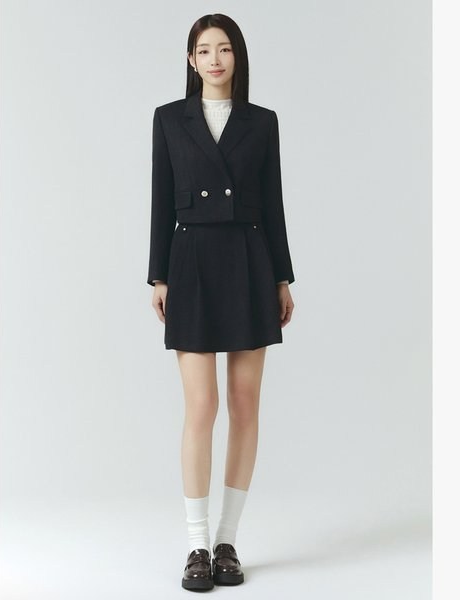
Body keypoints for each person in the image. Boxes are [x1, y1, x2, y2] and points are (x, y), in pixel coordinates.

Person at [147, 13, 296, 591]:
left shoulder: (262, 121)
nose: (215, 59)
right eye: (204, 49)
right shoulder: (169, 119)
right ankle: (196, 544)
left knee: (244, 401)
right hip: (190, 264)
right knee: (201, 406)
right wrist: (159, 276)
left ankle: (227, 541)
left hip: (250, 260)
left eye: (225, 49)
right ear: (191, 59)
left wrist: (282, 278)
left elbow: (274, 202)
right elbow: (161, 199)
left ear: (238, 57)